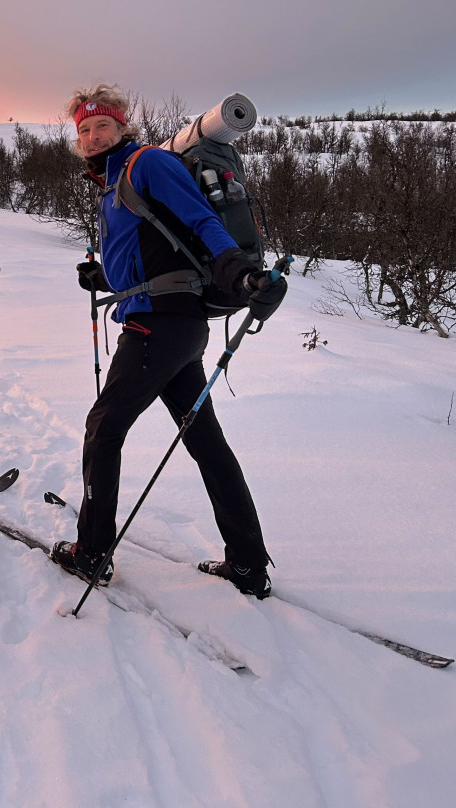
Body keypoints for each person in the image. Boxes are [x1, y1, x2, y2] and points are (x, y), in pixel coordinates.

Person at [51, 85, 287, 597]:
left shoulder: (147, 163)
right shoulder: (112, 185)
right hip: (173, 326)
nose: (93, 137)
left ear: (122, 127)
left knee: (103, 428)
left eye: (102, 126)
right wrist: (105, 278)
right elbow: (153, 252)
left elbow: (202, 220)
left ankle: (91, 552)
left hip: (157, 327)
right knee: (206, 442)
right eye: (84, 130)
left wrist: (240, 273)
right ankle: (248, 564)